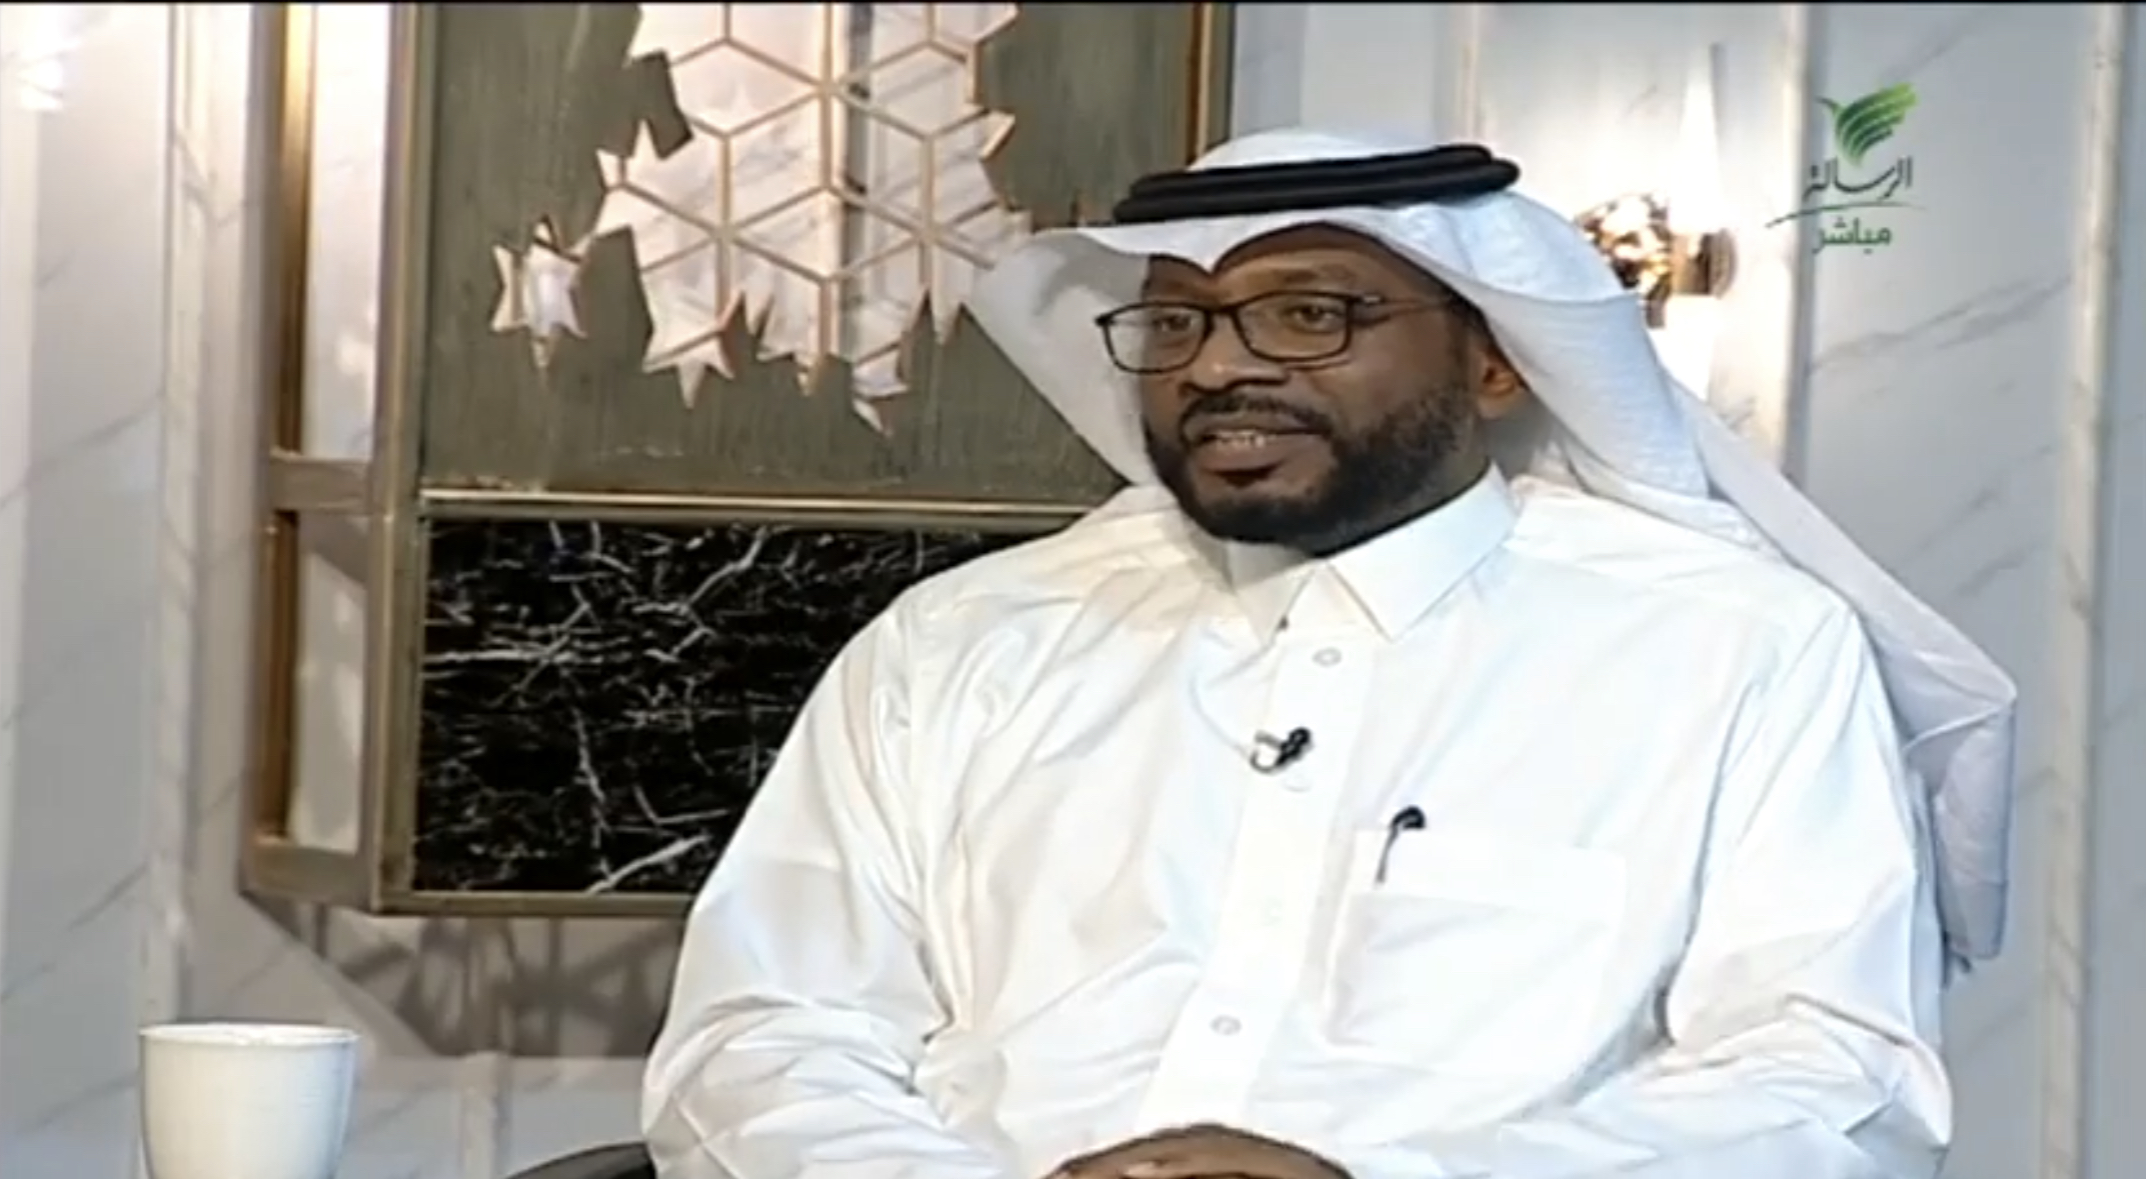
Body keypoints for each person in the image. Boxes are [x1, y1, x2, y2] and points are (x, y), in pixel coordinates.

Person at [641, 129, 2018, 1179]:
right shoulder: (961, 645)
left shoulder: (1729, 646)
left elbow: (1827, 1079)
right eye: (1176, 323)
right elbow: (761, 1032)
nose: (1217, 368)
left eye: (1310, 314)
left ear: (1496, 362)